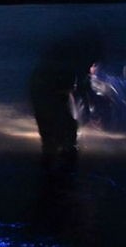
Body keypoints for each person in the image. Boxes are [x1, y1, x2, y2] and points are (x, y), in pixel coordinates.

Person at [30, 28, 103, 172]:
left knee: (56, 131)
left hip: (46, 93)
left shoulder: (66, 62)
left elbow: (80, 88)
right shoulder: (74, 64)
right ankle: (61, 165)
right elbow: (82, 88)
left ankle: (55, 165)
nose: (94, 69)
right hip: (47, 93)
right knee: (60, 130)